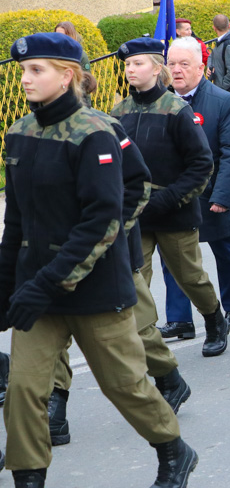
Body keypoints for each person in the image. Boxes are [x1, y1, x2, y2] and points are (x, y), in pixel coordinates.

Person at [2, 32, 197, 488]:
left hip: (93, 288)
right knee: (25, 390)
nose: (25, 79)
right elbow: (17, 222)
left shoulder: (96, 132)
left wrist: (46, 282)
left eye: (37, 70)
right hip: (38, 291)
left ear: (68, 76)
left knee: (124, 385)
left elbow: (101, 220)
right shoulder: (20, 133)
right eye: (24, 70)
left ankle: (173, 449)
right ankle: (28, 478)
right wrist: (5, 286)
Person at [48, 74, 192, 446]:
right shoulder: (31, 132)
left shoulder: (105, 126)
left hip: (111, 253)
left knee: (138, 330)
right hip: (54, 257)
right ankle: (55, 408)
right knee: (51, 338)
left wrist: (115, 230)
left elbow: (136, 185)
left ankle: (170, 378)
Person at [112, 37, 230, 357]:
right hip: (136, 214)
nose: (131, 70)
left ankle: (214, 319)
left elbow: (201, 165)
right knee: (136, 279)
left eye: (138, 63)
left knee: (190, 277)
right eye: (127, 65)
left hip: (174, 212)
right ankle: (143, 342)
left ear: (156, 68)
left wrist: (166, 200)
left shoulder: (177, 109)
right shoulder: (119, 112)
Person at [159, 36, 230, 334]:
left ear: (201, 66)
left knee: (227, 251)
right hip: (175, 198)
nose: (177, 70)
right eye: (171, 64)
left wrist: (222, 194)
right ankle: (180, 319)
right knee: (174, 259)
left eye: (184, 64)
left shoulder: (222, 101)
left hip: (213, 195)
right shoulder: (161, 103)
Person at [53, 21, 91, 106]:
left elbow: (86, 83)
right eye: (57, 35)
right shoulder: (53, 54)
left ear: (70, 36)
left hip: (76, 102)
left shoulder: (81, 56)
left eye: (63, 35)